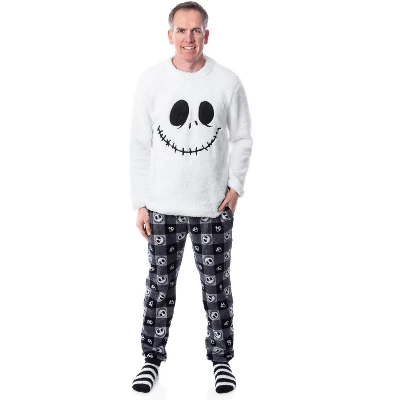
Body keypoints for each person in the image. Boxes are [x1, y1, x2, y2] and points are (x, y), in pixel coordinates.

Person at [129, 1, 253, 394]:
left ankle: (222, 361)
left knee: (217, 288)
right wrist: (140, 201)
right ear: (170, 35)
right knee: (159, 286)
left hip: (212, 208)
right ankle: (151, 360)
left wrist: (235, 188)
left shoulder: (227, 82)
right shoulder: (151, 81)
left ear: (207, 35)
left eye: (196, 30)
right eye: (181, 30)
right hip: (161, 206)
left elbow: (243, 137)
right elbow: (140, 144)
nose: (189, 38)